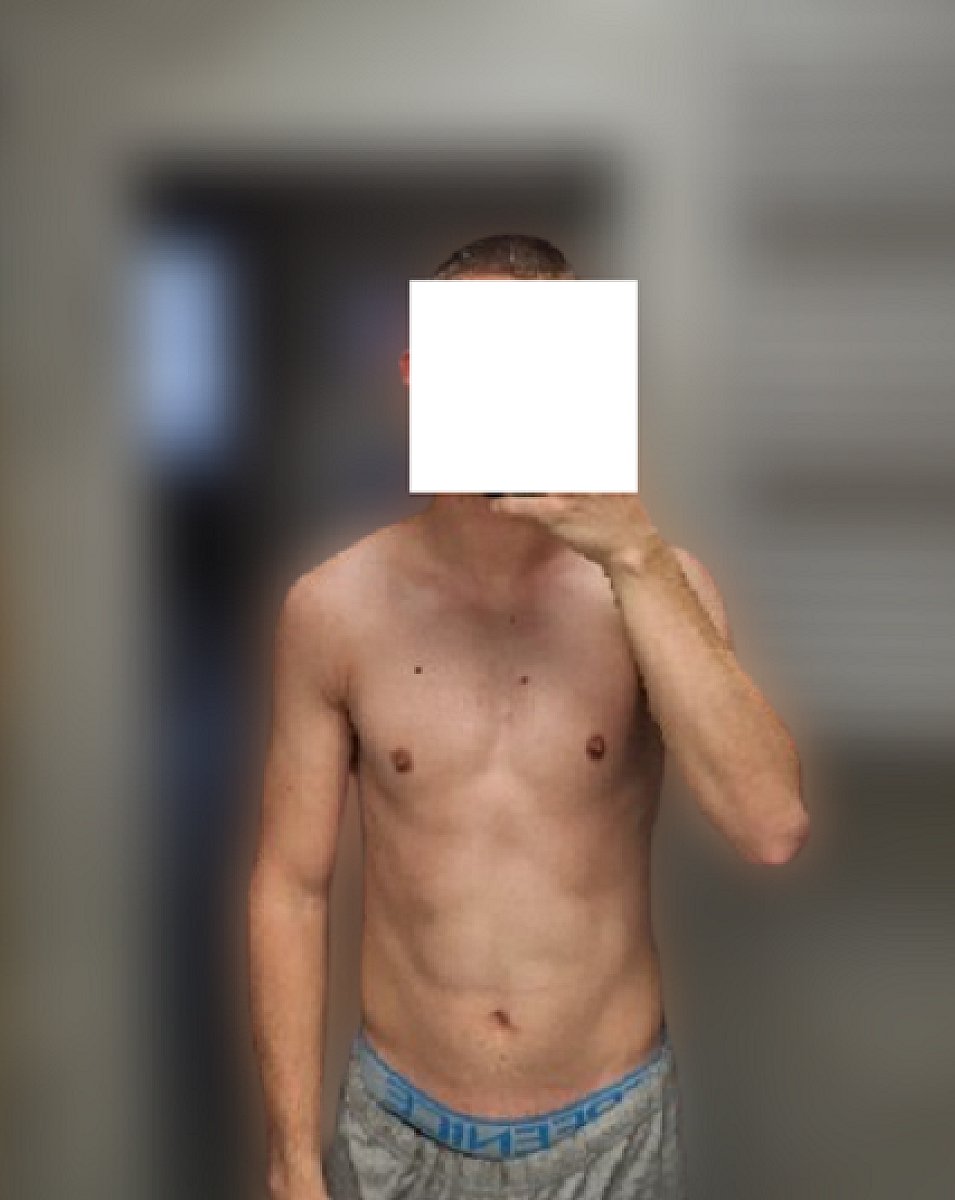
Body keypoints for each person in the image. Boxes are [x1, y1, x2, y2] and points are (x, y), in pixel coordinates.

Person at [247, 233, 810, 1200]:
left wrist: (635, 555)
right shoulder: (334, 608)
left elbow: (769, 826)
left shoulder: (656, 587)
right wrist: (293, 1155)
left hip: (612, 1134)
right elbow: (291, 887)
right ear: (418, 378)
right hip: (397, 1132)